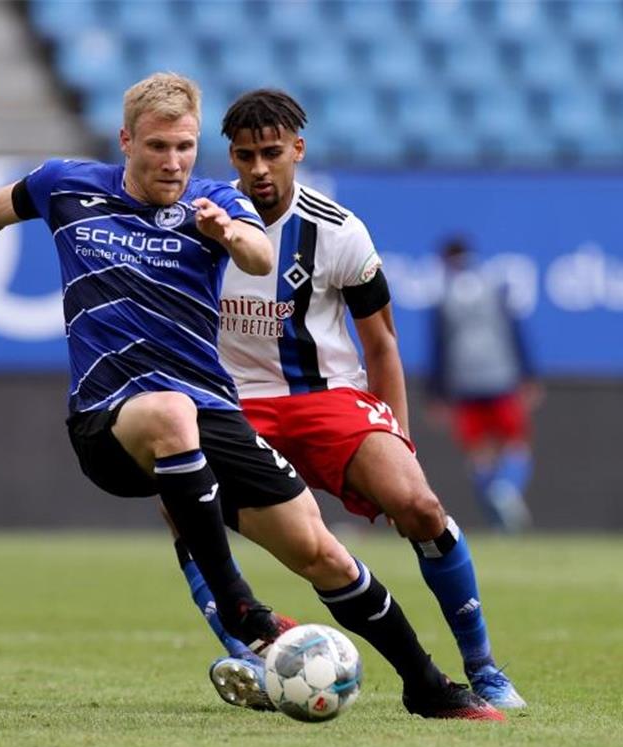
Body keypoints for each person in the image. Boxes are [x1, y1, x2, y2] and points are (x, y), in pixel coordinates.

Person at [0, 73, 501, 721]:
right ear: (126, 140)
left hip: (215, 417)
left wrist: (226, 231)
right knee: (169, 412)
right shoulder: (66, 185)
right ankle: (240, 610)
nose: (173, 161)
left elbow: (250, 253)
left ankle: (428, 686)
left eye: (185, 146)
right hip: (110, 420)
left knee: (321, 551)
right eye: (158, 146)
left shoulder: (217, 203)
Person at [168, 89, 526, 712]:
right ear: (230, 156)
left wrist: (399, 438)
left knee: (419, 507)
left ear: (297, 151)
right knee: (181, 506)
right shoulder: (198, 221)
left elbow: (382, 344)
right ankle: (247, 648)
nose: (259, 169)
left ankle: (484, 665)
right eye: (246, 156)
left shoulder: (338, 231)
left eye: (272, 153)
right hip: (235, 406)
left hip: (326, 397)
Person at [426, 236, 541, 534]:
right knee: (515, 444)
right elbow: (516, 333)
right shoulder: (495, 288)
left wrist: (435, 394)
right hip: (501, 378)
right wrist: (529, 375)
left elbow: (438, 347)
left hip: (463, 383)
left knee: (479, 452)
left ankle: (497, 509)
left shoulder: (444, 296)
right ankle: (506, 487)